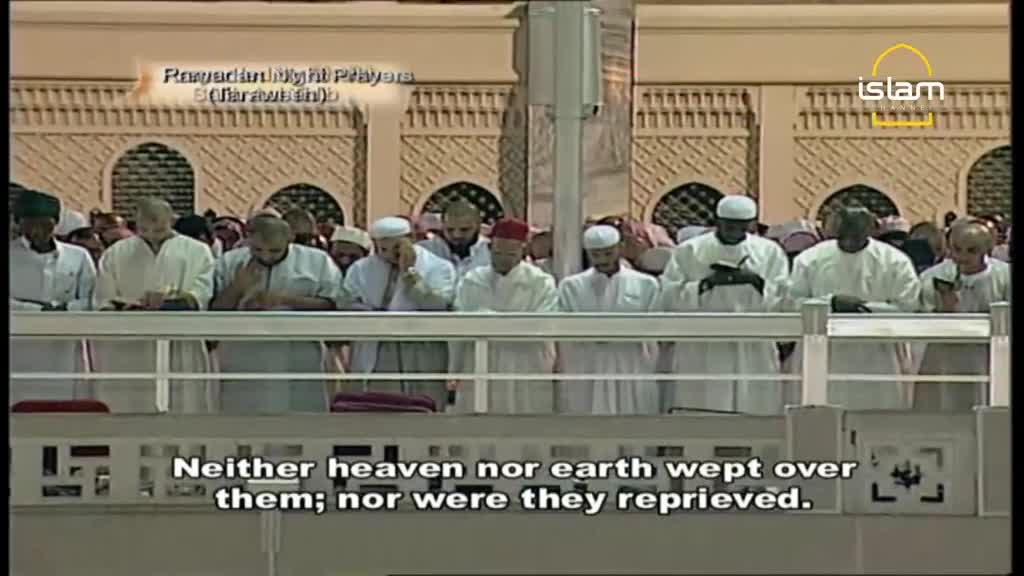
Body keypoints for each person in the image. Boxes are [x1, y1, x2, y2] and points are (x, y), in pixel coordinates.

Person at [660, 196, 790, 414]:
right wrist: (707, 284)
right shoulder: (690, 250)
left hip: (752, 343)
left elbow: (783, 297)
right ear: (717, 221)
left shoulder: (769, 251)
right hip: (703, 343)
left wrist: (755, 281)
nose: (734, 231)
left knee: (754, 407)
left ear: (751, 224)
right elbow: (669, 296)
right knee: (702, 406)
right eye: (729, 226)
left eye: (741, 226)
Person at [787, 206, 922, 409]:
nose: (851, 238)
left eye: (857, 232)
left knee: (877, 416)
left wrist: (864, 308)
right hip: (825, 352)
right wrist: (830, 303)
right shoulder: (809, 259)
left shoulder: (895, 261)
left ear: (872, 229)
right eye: (846, 231)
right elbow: (792, 304)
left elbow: (907, 307)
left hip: (878, 355)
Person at [92, 198, 216, 413]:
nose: (151, 235)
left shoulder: (197, 251)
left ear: (171, 220)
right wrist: (125, 307)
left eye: (158, 229)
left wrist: (169, 302)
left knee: (181, 404)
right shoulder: (116, 253)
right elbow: (104, 299)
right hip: (130, 345)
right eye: (144, 229)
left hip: (179, 341)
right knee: (130, 404)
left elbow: (201, 295)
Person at [212, 215, 342, 413]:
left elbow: (331, 305)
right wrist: (237, 287)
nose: (266, 257)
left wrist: (285, 300)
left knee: (301, 417)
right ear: (248, 240)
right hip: (242, 354)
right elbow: (215, 313)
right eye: (257, 250)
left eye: (274, 251)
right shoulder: (230, 262)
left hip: (299, 353)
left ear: (290, 239)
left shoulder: (317, 262)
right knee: (242, 419)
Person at [344, 217, 457, 408]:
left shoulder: (438, 267)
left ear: (411, 239)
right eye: (383, 249)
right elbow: (347, 302)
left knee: (424, 406)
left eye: (396, 248)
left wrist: (410, 274)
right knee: (380, 409)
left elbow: (438, 306)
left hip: (421, 347)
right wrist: (373, 314)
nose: (389, 255)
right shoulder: (361, 269)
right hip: (378, 347)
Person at [452, 218, 558, 413]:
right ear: (490, 248)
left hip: (525, 363)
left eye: (510, 254)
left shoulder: (540, 283)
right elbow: (459, 327)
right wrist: (454, 369)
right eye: (498, 253)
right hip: (480, 362)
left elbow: (541, 326)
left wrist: (488, 321)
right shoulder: (472, 280)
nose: (503, 259)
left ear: (523, 250)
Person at [557, 225, 661, 414]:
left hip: (630, 362)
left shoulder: (645, 284)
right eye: (595, 255)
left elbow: (654, 329)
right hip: (587, 363)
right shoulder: (571, 286)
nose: (602, 260)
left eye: (608, 253)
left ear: (620, 248)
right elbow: (566, 329)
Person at [9, 190, 97, 404]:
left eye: (45, 224)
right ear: (19, 223)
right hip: (18, 344)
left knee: (63, 403)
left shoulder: (78, 256)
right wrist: (38, 310)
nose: (38, 230)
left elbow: (92, 298)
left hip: (64, 344)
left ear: (56, 223)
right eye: (31, 224)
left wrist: (65, 310)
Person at [915, 221, 1011, 411]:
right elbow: (921, 315)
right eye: (957, 249)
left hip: (988, 354)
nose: (962, 257)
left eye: (971, 250)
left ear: (986, 249)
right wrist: (944, 309)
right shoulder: (932, 276)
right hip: (944, 355)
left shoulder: (1005, 276)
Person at [418, 200, 491, 284]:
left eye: (464, 230)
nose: (457, 235)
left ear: (478, 225)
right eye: (450, 229)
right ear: (442, 225)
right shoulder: (423, 251)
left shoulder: (491, 253)